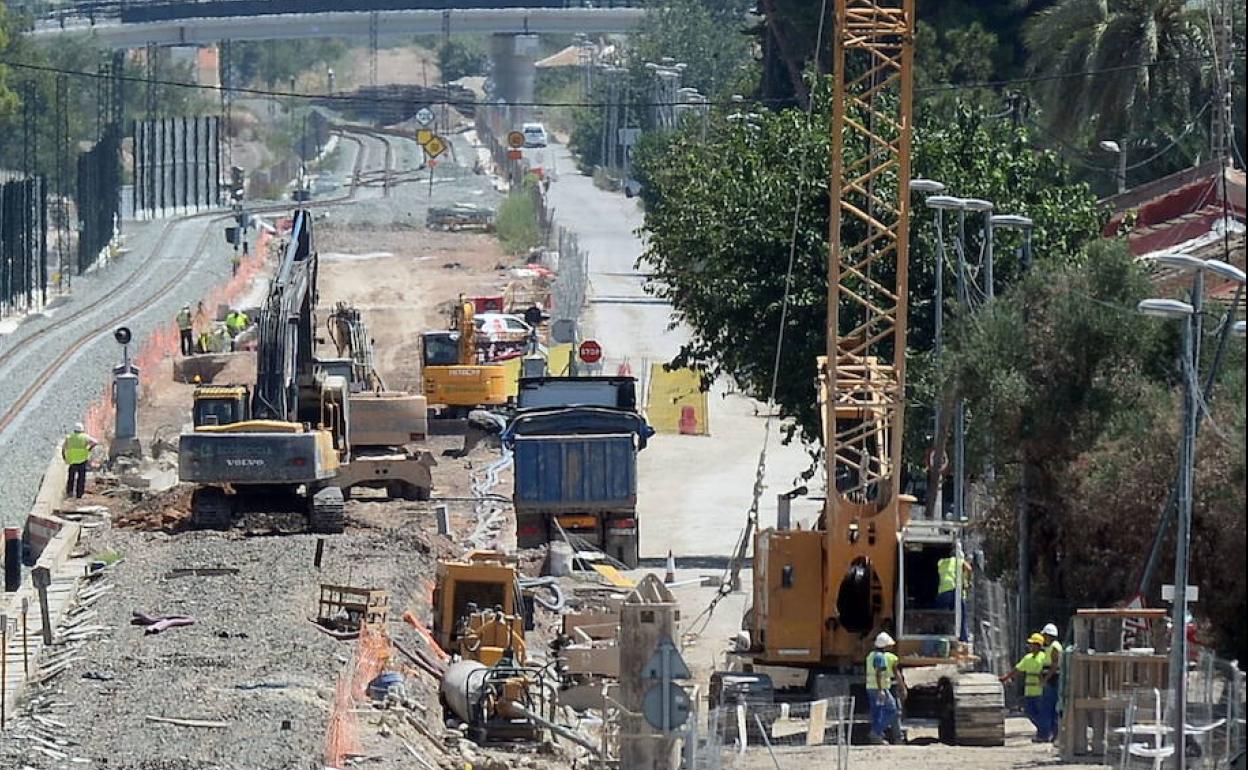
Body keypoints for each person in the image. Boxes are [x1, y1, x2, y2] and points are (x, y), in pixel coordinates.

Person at [1001, 633, 1051, 742]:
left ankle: (1043, 734)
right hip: (1029, 691)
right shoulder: (1028, 658)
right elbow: (1017, 669)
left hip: (1040, 691)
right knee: (1030, 713)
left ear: (1038, 645)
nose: (1030, 646)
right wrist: (1005, 678)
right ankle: (1044, 732)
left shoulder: (1043, 657)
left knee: (1041, 714)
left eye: (1032, 644)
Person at [866, 632, 906, 744]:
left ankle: (878, 736)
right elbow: (879, 673)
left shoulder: (871, 655)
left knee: (877, 712)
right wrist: (881, 690)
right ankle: (876, 732)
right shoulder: (881, 657)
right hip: (880, 688)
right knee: (892, 710)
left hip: (870, 687)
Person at [936, 554, 973, 642]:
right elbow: (969, 568)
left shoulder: (941, 562)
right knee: (962, 618)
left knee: (941, 616)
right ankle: (963, 639)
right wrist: (969, 582)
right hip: (955, 592)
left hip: (943, 593)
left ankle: (941, 634)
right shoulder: (959, 561)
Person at [62, 423, 98, 499]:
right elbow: (95, 442)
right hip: (82, 460)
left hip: (72, 461)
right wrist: (89, 448)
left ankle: (70, 492)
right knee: (81, 478)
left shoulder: (69, 437)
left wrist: (64, 458)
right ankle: (79, 494)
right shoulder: (85, 437)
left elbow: (63, 448)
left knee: (71, 477)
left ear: (74, 430)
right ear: (82, 430)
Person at [1041, 622, 1063, 742]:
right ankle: (1052, 734)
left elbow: (1054, 665)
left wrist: (1045, 679)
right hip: (1051, 680)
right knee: (1050, 707)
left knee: (1051, 707)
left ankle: (1053, 734)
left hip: (1053, 680)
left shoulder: (1054, 647)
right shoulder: (1051, 647)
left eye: (1044, 635)